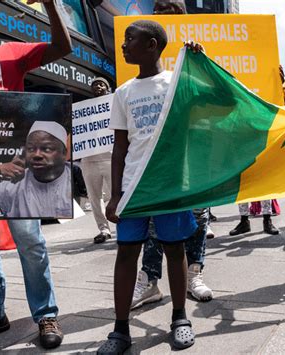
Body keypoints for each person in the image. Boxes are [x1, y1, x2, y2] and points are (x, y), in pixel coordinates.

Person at [97, 21, 203, 353]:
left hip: (170, 187)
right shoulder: (123, 92)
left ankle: (180, 317)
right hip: (133, 188)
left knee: (175, 250)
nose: (124, 45)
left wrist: (199, 63)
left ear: (152, 44)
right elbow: (120, 148)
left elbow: (218, 100)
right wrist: (115, 195)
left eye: (130, 39)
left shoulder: (176, 82)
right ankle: (120, 330)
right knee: (127, 253)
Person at [130, 0, 214, 311]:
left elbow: (215, 96)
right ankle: (149, 280)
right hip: (154, 164)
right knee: (154, 222)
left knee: (197, 216)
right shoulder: (143, 69)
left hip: (191, 155)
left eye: (168, 13)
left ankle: (194, 273)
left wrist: (200, 61)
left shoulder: (186, 64)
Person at [0, 0, 71, 349]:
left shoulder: (11, 53)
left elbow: (63, 47)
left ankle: (45, 315)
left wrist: (51, 5)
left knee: (30, 243)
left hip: (13, 171)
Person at [0, 121, 72, 218]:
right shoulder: (13, 186)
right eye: (31, 149)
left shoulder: (77, 177)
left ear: (64, 153)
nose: (37, 155)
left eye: (47, 149)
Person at [80, 77, 113, 244]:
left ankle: (122, 226)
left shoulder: (115, 105)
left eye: (101, 84)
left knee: (117, 194)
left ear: (108, 88)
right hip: (89, 159)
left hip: (110, 157)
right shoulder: (84, 110)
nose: (98, 87)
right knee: (94, 197)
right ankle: (103, 229)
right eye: (94, 85)